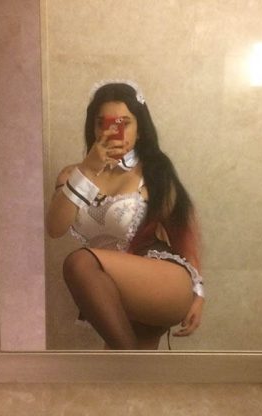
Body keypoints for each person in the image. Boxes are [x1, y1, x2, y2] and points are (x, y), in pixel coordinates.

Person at [46, 81, 204, 350]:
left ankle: (130, 361)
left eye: (123, 123)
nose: (111, 131)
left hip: (163, 280)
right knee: (125, 371)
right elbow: (54, 227)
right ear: (93, 127)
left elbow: (183, 234)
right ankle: (132, 363)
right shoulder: (72, 175)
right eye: (103, 123)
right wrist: (88, 170)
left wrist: (199, 295)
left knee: (79, 263)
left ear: (140, 129)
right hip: (114, 291)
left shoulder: (154, 171)